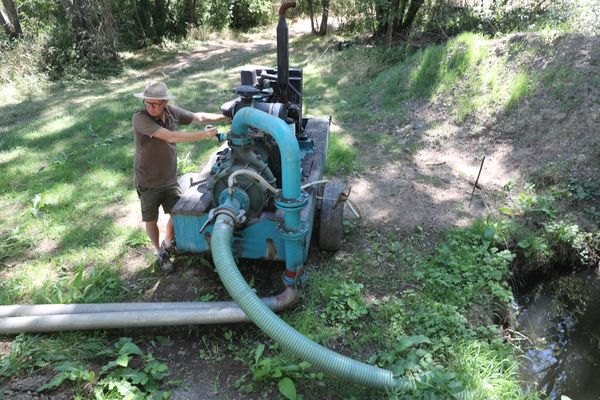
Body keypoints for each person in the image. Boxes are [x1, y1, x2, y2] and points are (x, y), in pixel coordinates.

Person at [132, 81, 229, 272]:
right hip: (148, 180)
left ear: (165, 102)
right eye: (147, 103)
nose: (150, 108)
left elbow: (198, 117)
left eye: (154, 104)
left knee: (176, 213)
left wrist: (226, 116)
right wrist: (203, 135)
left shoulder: (172, 112)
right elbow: (170, 137)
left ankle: (168, 242)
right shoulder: (140, 118)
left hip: (168, 177)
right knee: (150, 220)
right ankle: (160, 252)